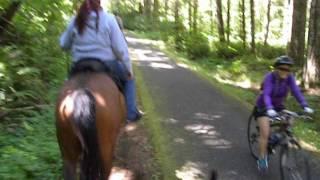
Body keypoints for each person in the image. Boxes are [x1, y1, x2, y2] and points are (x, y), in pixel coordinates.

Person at [59, 0, 142, 122]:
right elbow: (120, 49)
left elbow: (63, 44)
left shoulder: (75, 20)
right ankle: (131, 113)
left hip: (79, 65)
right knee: (129, 80)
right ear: (99, 2)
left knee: (66, 86)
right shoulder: (109, 19)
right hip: (107, 65)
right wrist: (128, 69)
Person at [254, 55, 314, 171]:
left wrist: (305, 105)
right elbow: (266, 94)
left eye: (287, 69)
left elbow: (296, 91)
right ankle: (262, 160)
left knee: (289, 120)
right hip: (263, 106)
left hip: (278, 106)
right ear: (276, 68)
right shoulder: (269, 77)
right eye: (282, 68)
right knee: (265, 134)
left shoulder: (289, 78)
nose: (285, 71)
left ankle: (276, 137)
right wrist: (269, 108)